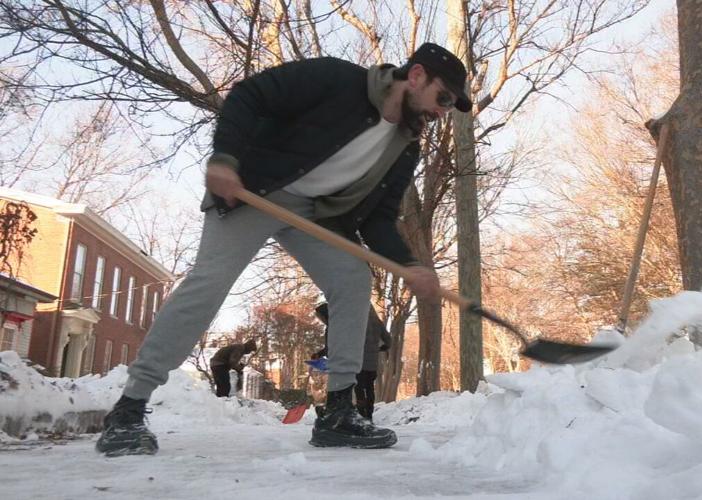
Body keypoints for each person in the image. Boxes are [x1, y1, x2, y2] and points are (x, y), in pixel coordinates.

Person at [95, 42, 470, 456]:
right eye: (443, 98)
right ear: (416, 76)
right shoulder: (337, 79)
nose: (442, 111)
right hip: (254, 191)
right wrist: (225, 159)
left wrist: (410, 265)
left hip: (314, 215)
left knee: (352, 278)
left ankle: (339, 412)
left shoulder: (404, 146)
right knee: (209, 283)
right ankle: (129, 408)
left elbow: (378, 220)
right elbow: (250, 95)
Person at [313, 302, 391, 421]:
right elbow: (388, 341)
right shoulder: (377, 322)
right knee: (369, 388)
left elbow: (337, 345)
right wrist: (380, 348)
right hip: (372, 363)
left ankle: (359, 413)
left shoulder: (356, 321)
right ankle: (368, 414)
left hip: (357, 361)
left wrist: (322, 355)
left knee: (358, 389)